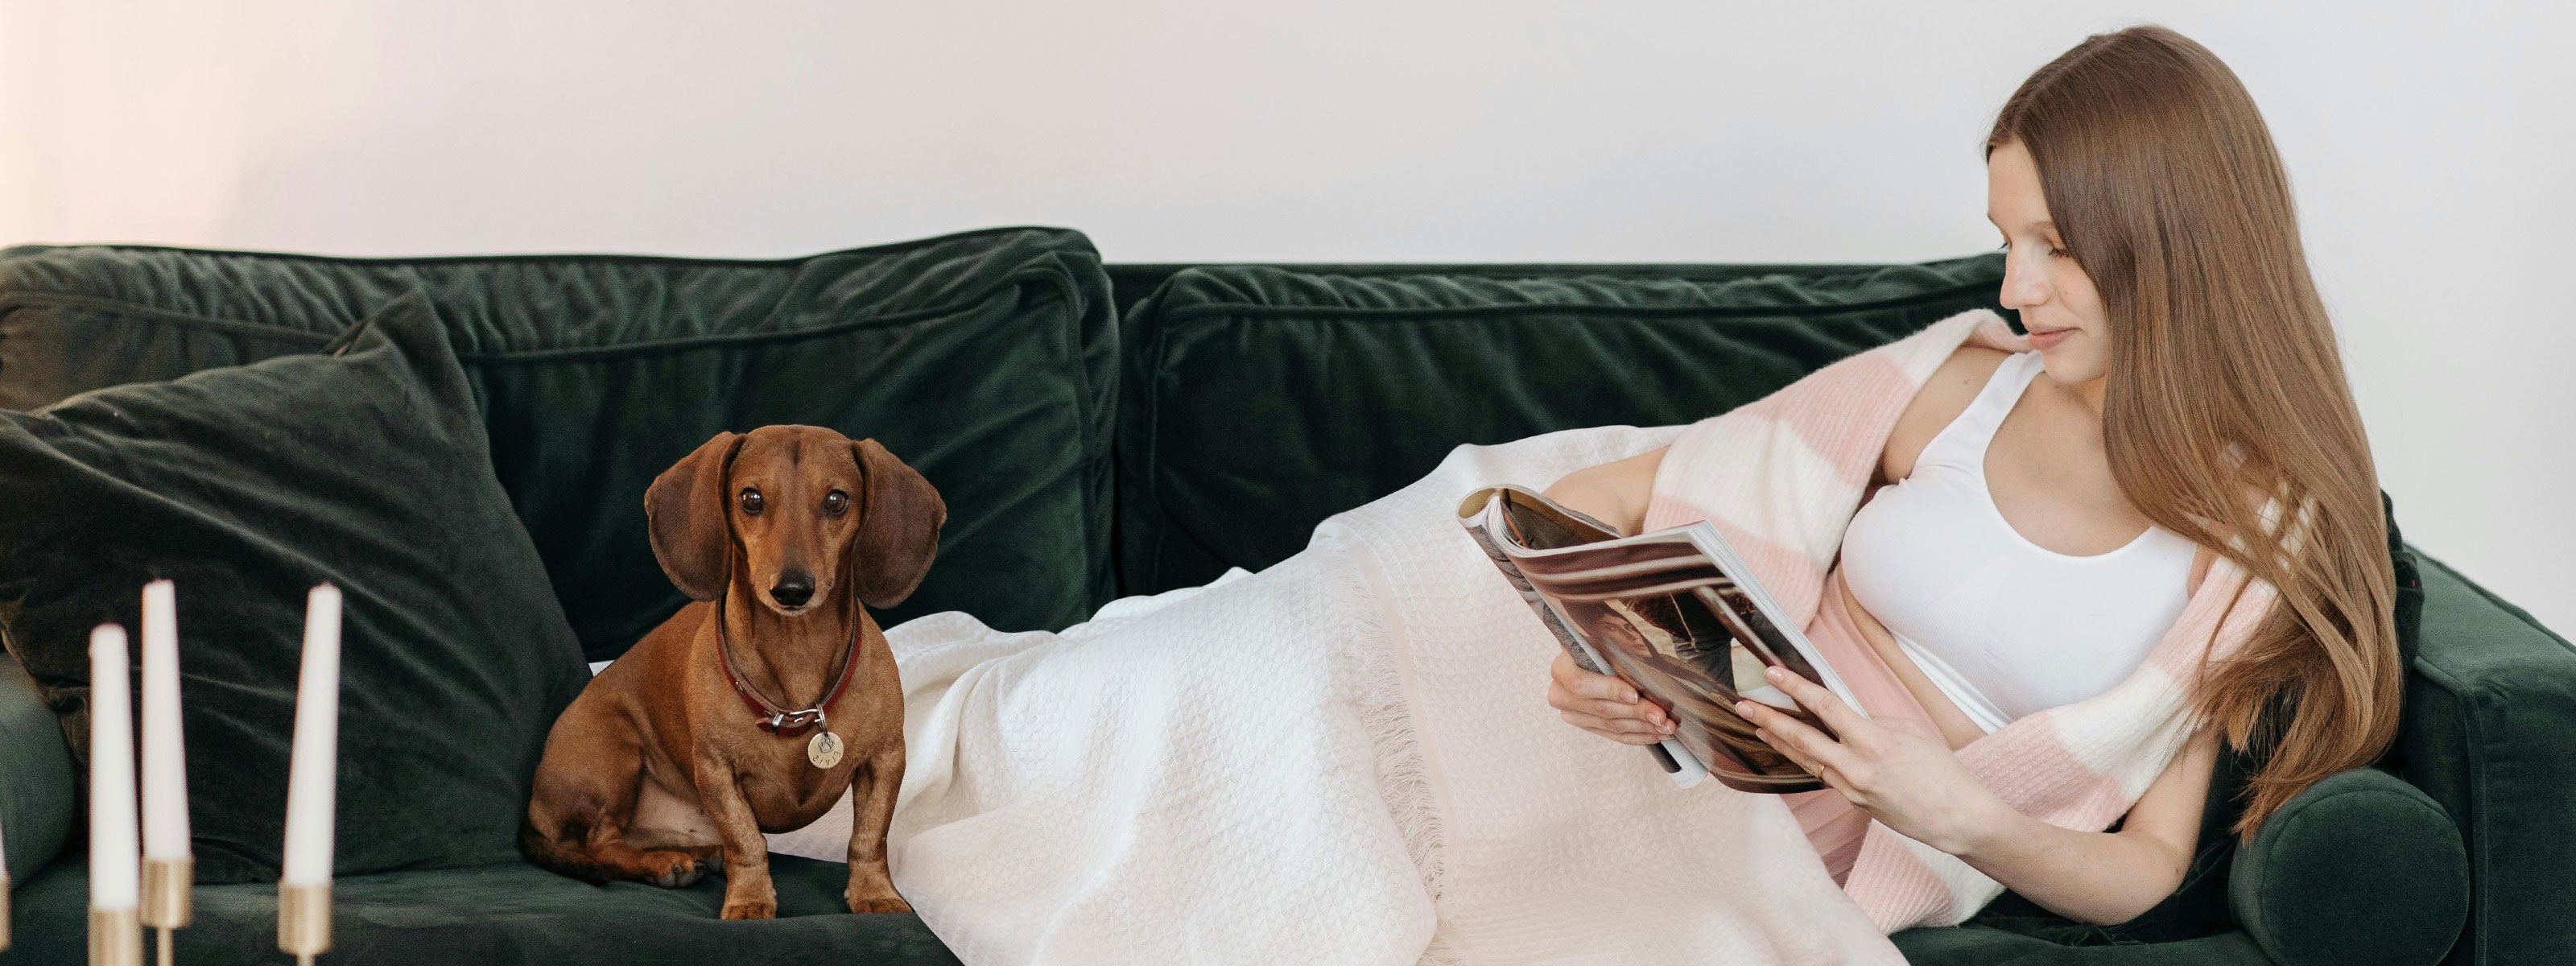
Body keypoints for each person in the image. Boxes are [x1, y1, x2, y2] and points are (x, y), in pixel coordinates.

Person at [1542, 24, 2401, 927]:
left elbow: (2145, 867)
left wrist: (1964, 821)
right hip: (1687, 738)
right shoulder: (1956, 383)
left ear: (2175, 245)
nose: (2011, 289)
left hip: (1811, 841)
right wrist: (1588, 645)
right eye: (2005, 242)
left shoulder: (2242, 548)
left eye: (2055, 246)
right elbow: (1607, 495)